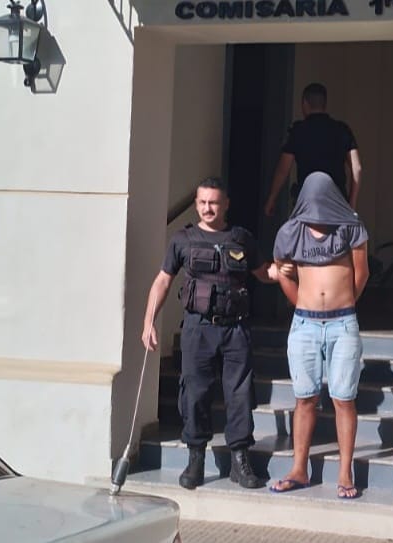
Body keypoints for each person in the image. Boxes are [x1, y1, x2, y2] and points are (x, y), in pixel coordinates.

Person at [141, 177, 280, 490]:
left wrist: (288, 269)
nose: (207, 208)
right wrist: (149, 321)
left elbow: (265, 273)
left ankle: (240, 460)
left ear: (226, 204)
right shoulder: (183, 239)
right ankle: (196, 458)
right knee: (195, 393)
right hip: (198, 328)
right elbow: (163, 280)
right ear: (196, 204)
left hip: (236, 329)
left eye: (214, 202)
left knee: (240, 395)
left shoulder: (241, 238)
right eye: (202, 202)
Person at [269, 171, 369, 499]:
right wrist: (301, 303)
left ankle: (345, 473)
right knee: (304, 398)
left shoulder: (350, 227)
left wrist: (345, 304)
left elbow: (361, 272)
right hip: (305, 325)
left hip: (343, 324)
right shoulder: (290, 231)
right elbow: (281, 270)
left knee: (344, 398)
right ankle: (299, 469)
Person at [264, 83, 363, 216]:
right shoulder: (342, 130)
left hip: (308, 204)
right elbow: (357, 168)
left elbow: (283, 169)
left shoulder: (297, 131)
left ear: (304, 103)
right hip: (337, 204)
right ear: (324, 104)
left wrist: (272, 198)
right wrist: (351, 205)